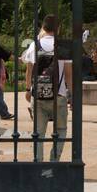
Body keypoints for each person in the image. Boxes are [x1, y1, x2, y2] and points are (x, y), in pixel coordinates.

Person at [23, 15, 71, 161]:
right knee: (61, 130)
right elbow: (68, 74)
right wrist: (72, 95)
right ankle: (54, 160)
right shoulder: (64, 46)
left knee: (38, 132)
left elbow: (29, 70)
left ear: (43, 27)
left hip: (38, 94)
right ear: (58, 28)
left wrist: (27, 89)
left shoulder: (34, 45)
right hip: (59, 94)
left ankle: (38, 161)